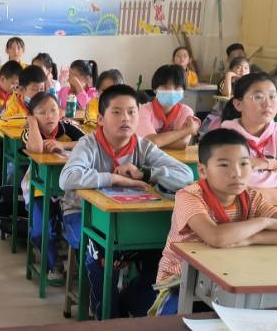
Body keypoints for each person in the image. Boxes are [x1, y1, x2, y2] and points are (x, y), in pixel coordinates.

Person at [59, 84, 193, 317]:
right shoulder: (88, 144)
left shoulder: (143, 146)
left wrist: (146, 173)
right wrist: (114, 178)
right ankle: (107, 313)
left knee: (163, 255)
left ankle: (131, 302)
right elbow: (67, 178)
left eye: (132, 112)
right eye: (117, 112)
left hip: (130, 219)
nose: (126, 118)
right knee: (100, 254)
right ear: (101, 119)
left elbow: (186, 175)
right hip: (81, 214)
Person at [151, 128, 277, 314]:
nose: (237, 173)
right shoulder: (189, 196)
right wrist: (264, 223)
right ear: (203, 170)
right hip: (181, 280)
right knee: (176, 322)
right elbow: (216, 238)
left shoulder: (251, 197)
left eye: (244, 164)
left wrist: (249, 240)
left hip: (232, 274)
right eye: (224, 165)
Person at [23, 92, 84, 281]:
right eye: (42, 113)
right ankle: (53, 262)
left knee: (80, 226)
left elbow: (89, 143)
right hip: (39, 189)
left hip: (70, 192)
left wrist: (63, 145)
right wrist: (32, 122)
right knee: (40, 231)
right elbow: (36, 148)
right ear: (33, 115)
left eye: (53, 110)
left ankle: (80, 266)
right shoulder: (29, 131)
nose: (49, 116)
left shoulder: (67, 127)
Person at [136, 64, 200, 150]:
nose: (171, 91)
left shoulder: (186, 111)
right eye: (165, 87)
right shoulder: (143, 110)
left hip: (175, 157)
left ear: (183, 90)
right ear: (155, 90)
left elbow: (183, 143)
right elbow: (150, 142)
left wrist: (156, 141)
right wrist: (186, 131)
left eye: (176, 87)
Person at [0, 64, 46, 132]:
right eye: (34, 89)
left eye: (42, 89)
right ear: (22, 90)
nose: (39, 93)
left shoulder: (46, 104)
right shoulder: (14, 106)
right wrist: (26, 121)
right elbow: (1, 121)